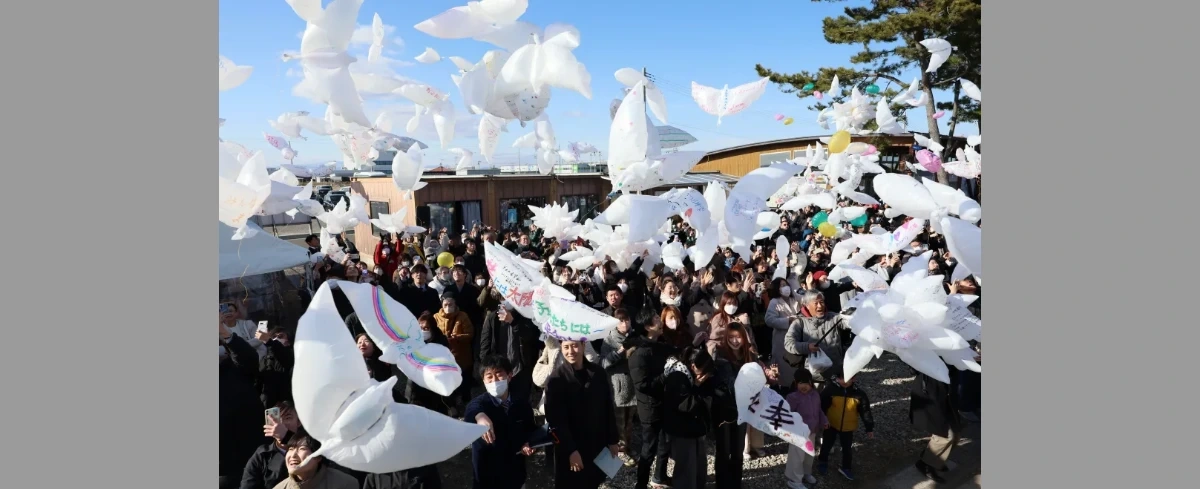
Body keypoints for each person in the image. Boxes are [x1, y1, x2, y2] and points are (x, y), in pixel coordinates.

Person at [543, 340, 620, 489]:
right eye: (566, 347)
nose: (570, 351)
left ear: (584, 345)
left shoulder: (598, 373)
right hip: (571, 444)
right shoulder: (556, 379)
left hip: (596, 442)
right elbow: (556, 421)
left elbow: (608, 407)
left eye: (574, 345)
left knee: (593, 481)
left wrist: (613, 439)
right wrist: (570, 450)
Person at [465, 356, 538, 489]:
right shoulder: (481, 403)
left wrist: (530, 444)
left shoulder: (521, 404)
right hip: (487, 477)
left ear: (509, 376)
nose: (494, 381)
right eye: (489, 377)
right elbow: (471, 410)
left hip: (515, 475)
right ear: (484, 380)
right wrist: (480, 416)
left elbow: (531, 430)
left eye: (499, 375)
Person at [626, 312, 678, 489]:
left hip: (665, 404)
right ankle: (641, 484)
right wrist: (666, 375)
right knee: (649, 449)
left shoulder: (658, 345)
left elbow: (674, 352)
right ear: (647, 327)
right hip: (650, 408)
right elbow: (643, 385)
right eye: (656, 319)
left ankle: (660, 477)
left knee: (666, 443)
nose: (660, 321)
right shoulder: (638, 354)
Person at [221, 315, 266, 489]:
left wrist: (223, 331)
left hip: (252, 458)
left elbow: (248, 357)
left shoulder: (236, 368)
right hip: (223, 468)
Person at [661, 347, 716, 489]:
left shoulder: (690, 374)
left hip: (694, 427)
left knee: (698, 463)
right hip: (682, 429)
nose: (705, 374)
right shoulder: (677, 377)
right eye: (703, 369)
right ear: (693, 366)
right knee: (686, 466)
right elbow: (685, 405)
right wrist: (697, 386)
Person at [478, 303, 541, 405]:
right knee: (499, 402)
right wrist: (487, 369)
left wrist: (513, 321)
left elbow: (532, 337)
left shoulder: (526, 315)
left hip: (520, 368)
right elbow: (485, 346)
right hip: (498, 371)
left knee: (520, 402)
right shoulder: (492, 317)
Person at [785, 290, 851, 384]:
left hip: (836, 371)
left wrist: (851, 315)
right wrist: (807, 347)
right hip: (814, 375)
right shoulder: (799, 322)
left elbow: (848, 323)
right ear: (807, 306)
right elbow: (788, 343)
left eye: (822, 302)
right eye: (816, 303)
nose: (820, 306)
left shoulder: (833, 317)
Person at [818, 370, 875, 481]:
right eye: (841, 378)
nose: (844, 381)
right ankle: (822, 461)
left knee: (847, 449)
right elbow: (822, 407)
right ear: (836, 378)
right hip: (831, 424)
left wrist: (869, 427)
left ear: (854, 378)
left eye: (848, 378)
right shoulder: (830, 390)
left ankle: (846, 467)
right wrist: (821, 421)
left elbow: (865, 411)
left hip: (848, 427)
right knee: (826, 445)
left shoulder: (859, 394)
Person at [600, 308, 637, 466]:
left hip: (634, 385)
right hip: (618, 386)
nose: (625, 323)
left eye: (627, 319)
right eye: (621, 320)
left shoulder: (636, 337)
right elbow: (602, 363)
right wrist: (619, 352)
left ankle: (628, 446)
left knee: (630, 421)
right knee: (619, 421)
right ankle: (620, 451)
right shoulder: (608, 340)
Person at [910, 367, 961, 483]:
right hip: (931, 393)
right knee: (946, 435)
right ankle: (925, 463)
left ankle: (934, 459)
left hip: (946, 391)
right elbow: (913, 366)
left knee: (956, 433)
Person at [240, 401, 302, 489]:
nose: (281, 424)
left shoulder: (311, 450)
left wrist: (286, 437)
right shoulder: (262, 455)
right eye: (277, 418)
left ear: (298, 422)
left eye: (288, 418)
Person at [785, 370, 827, 489]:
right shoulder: (792, 397)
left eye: (806, 383)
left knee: (809, 454)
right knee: (797, 457)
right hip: (798, 433)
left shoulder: (815, 395)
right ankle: (795, 480)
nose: (804, 386)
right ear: (795, 383)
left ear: (811, 383)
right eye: (800, 383)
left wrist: (824, 421)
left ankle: (806, 473)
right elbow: (787, 415)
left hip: (812, 431)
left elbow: (819, 411)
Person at [271, 431, 359, 489]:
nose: (293, 455)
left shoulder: (344, 484)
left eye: (302, 449)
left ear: (318, 456)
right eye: (290, 449)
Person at [434, 294, 475, 411]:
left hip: (461, 356)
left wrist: (457, 337)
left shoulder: (463, 316)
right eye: (445, 305)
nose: (448, 307)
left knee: (464, 380)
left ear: (455, 304)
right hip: (444, 357)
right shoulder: (436, 317)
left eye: (450, 304)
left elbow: (470, 334)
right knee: (448, 381)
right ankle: (451, 406)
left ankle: (467, 403)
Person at [765, 278, 803, 390]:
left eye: (786, 284)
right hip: (781, 340)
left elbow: (806, 300)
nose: (785, 287)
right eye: (781, 285)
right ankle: (784, 389)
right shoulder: (774, 302)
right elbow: (769, 320)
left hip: (797, 337)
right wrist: (787, 321)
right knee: (784, 369)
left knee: (797, 366)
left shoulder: (794, 298)